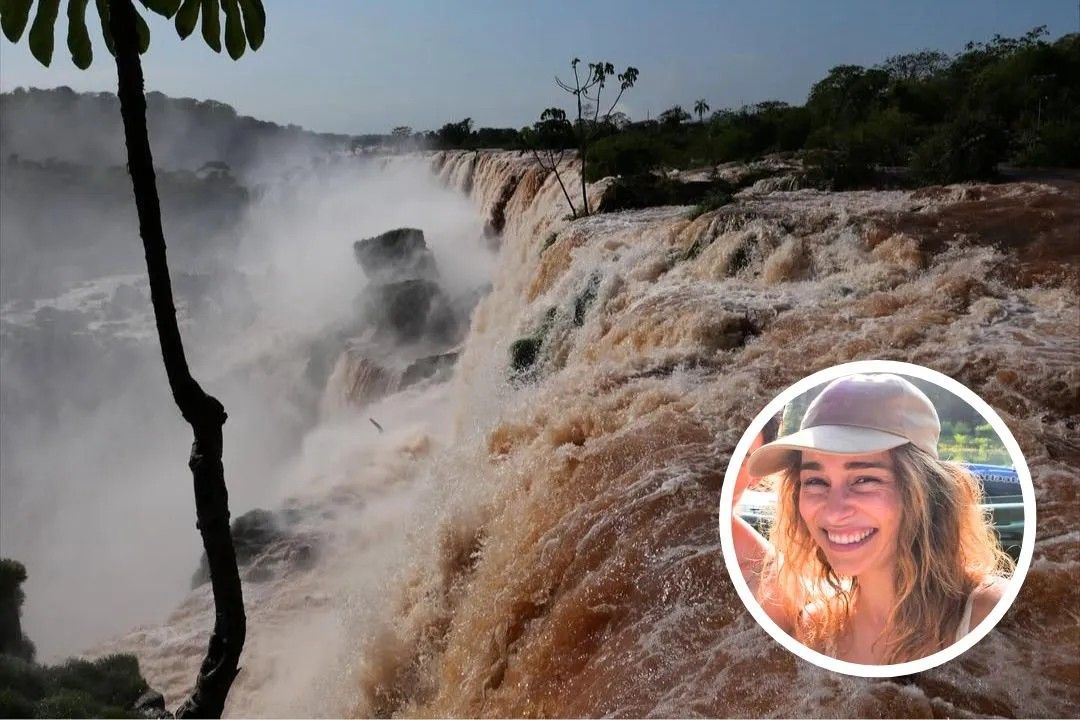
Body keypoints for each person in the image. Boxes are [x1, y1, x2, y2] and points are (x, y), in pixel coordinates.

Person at [730, 373, 1014, 665]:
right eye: (816, 481)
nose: (834, 511)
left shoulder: (990, 615)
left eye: (865, 479)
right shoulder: (814, 633)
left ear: (924, 492)